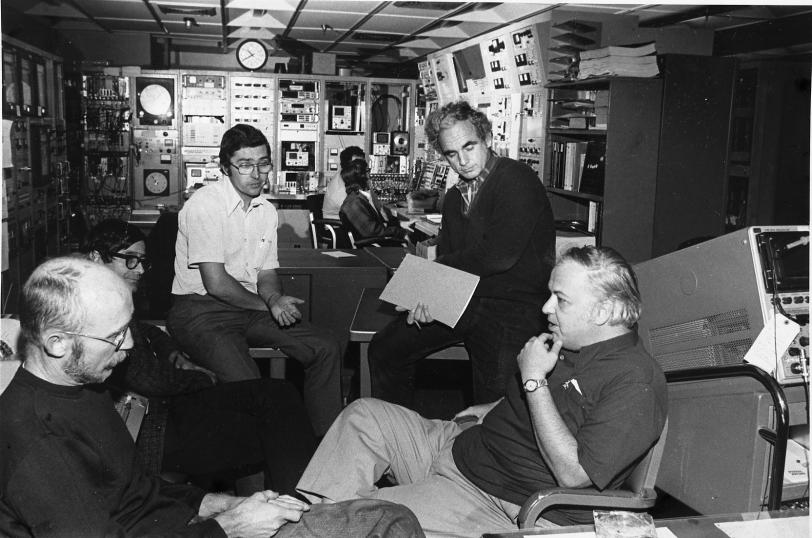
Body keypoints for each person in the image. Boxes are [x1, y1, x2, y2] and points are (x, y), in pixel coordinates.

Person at [0, 256, 425, 537]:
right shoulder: (38, 443)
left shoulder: (83, 387)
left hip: (188, 526)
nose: (128, 346)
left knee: (388, 519)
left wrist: (221, 503)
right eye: (114, 336)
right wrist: (232, 527)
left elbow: (139, 492)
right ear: (57, 342)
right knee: (385, 523)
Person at [297, 246, 668, 536]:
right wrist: (488, 408)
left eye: (561, 299)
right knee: (364, 415)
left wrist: (533, 380)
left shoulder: (634, 381)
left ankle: (306, 525)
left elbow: (573, 474)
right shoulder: (569, 340)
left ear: (604, 312)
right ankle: (299, 519)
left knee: (361, 521)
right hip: (464, 446)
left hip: (490, 495)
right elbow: (539, 405)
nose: (546, 307)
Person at [82, 218, 317, 495]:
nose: (140, 270)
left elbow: (144, 330)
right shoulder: (93, 306)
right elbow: (147, 379)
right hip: (154, 427)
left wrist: (172, 353)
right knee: (276, 423)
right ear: (96, 257)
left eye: (143, 261)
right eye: (130, 260)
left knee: (280, 393)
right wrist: (198, 378)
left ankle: (301, 502)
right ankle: (303, 508)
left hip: (164, 407)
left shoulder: (108, 294)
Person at [369, 100, 556, 408]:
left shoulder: (517, 179)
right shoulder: (455, 198)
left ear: (488, 139)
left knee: (494, 400)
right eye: (452, 154)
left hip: (513, 308)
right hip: (467, 301)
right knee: (384, 348)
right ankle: (397, 436)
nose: (463, 161)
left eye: (469, 147)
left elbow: (498, 256)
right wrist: (427, 298)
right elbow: (454, 265)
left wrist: (429, 276)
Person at [168, 124, 342, 436]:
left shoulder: (266, 211)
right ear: (225, 167)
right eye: (245, 165)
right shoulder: (205, 204)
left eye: (263, 163)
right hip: (200, 313)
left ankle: (325, 448)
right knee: (251, 389)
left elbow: (266, 272)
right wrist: (267, 306)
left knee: (325, 346)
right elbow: (216, 283)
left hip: (246, 307)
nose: (257, 174)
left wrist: (274, 298)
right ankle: (255, 484)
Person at [339, 159, 408, 242]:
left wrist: (400, 225)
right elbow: (372, 231)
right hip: (373, 246)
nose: (370, 175)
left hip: (376, 241)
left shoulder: (361, 197)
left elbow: (376, 224)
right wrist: (401, 233)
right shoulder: (353, 203)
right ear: (362, 176)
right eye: (368, 171)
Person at [322, 145, 365, 220]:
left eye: (362, 164)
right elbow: (356, 212)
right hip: (338, 228)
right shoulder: (340, 189)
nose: (361, 169)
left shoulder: (350, 178)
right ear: (346, 166)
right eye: (357, 165)